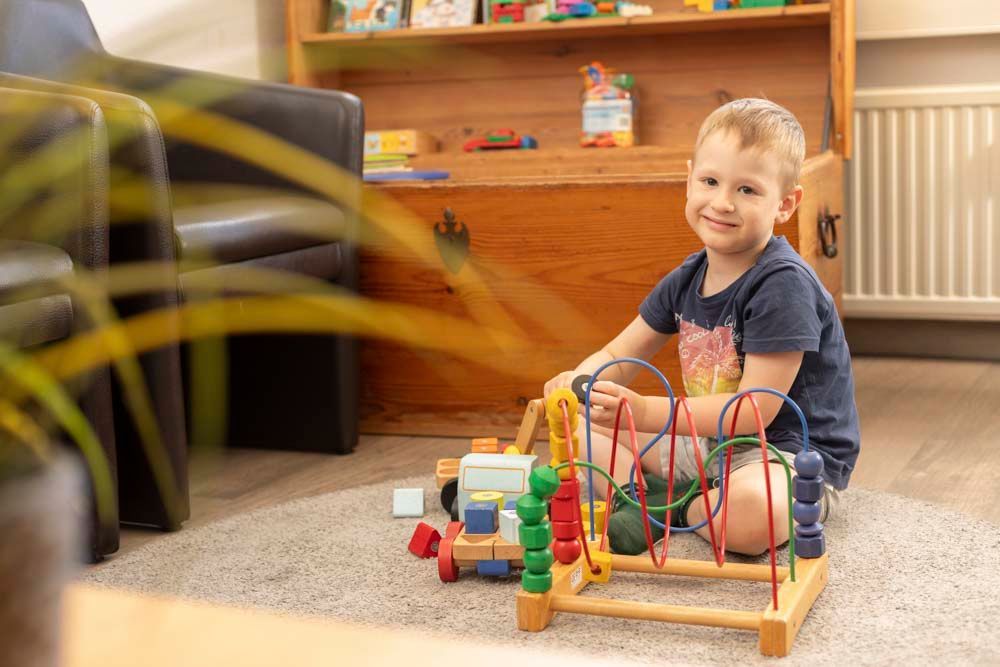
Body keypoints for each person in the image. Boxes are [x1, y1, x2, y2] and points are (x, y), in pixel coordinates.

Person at [543, 98, 860, 557]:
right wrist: (578, 384)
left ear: (786, 204)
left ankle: (672, 507)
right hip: (709, 446)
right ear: (689, 178)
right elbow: (617, 356)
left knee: (753, 515)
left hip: (784, 455)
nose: (723, 202)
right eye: (710, 181)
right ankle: (661, 493)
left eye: (748, 190)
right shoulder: (688, 277)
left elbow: (754, 412)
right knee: (575, 433)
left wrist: (646, 413)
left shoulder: (782, 284)